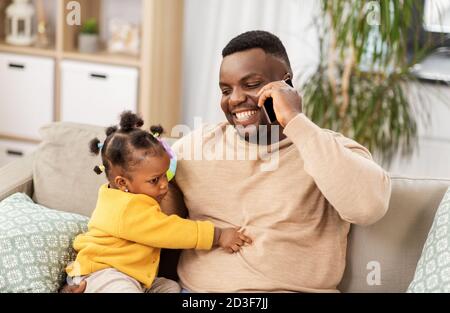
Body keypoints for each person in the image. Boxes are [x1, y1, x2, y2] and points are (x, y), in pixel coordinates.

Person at [64, 30, 391, 293]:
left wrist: (295, 122)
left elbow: (368, 207)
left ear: (286, 82)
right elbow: (131, 213)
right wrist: (87, 277)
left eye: (251, 85)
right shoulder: (196, 145)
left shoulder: (327, 149)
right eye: (225, 89)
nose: (234, 99)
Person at [64, 111, 252, 293]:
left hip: (133, 275)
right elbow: (169, 231)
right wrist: (217, 235)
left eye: (165, 175)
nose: (164, 185)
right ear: (122, 183)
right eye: (155, 180)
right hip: (102, 273)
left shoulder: (123, 196)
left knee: (170, 287)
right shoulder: (126, 208)